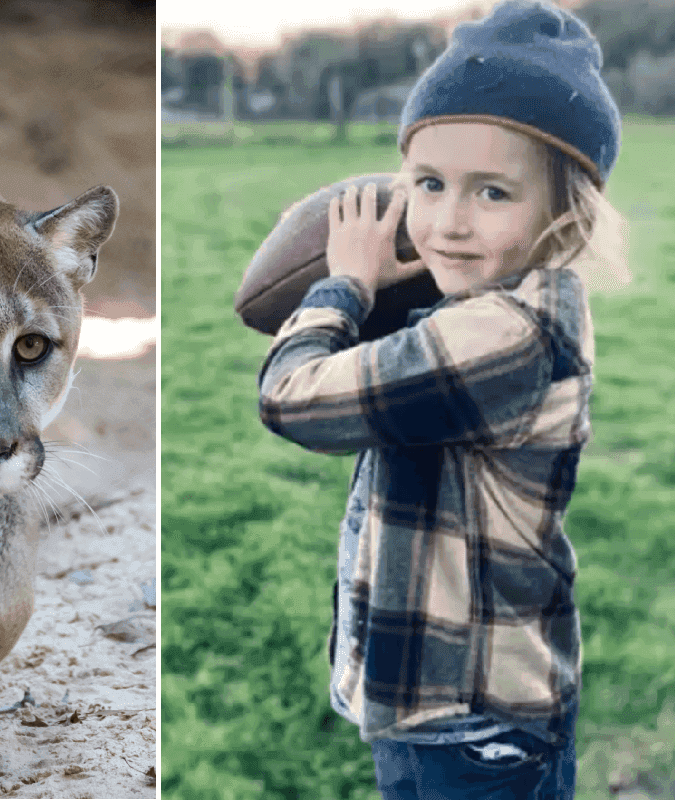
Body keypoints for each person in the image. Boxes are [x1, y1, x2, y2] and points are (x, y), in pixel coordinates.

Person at [257, 1, 629, 797]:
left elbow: (290, 398)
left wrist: (345, 287)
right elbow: (396, 377)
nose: (449, 224)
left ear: (566, 214)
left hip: (471, 728)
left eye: (492, 193)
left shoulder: (508, 337)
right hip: (435, 712)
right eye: (428, 185)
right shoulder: (496, 308)